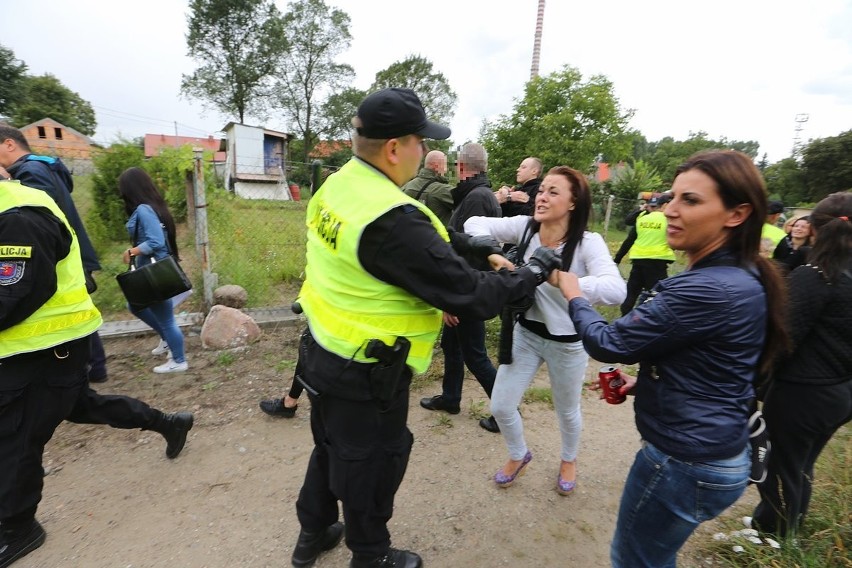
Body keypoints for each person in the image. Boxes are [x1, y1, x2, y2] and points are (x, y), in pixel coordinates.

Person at [291, 87, 560, 568]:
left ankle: (313, 531)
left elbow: (434, 238)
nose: (424, 150)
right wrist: (531, 272)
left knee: (330, 445)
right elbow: (471, 295)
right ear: (396, 148)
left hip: (320, 350)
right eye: (420, 141)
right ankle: (371, 556)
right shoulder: (390, 219)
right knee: (373, 461)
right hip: (367, 370)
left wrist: (483, 251)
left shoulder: (340, 185)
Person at [556, 150, 788, 567]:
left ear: (736, 214)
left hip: (684, 462)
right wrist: (648, 382)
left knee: (634, 560)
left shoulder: (704, 289)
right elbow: (717, 361)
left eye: (691, 201)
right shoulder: (743, 275)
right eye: (671, 198)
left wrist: (574, 294)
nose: (670, 212)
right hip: (719, 450)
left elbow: (608, 343)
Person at [0, 178, 194, 568]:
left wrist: (136, 249)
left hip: (45, 347)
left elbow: (13, 293)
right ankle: (169, 423)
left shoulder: (19, 215)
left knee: (17, 435)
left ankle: (20, 527)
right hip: (44, 347)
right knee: (82, 405)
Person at [465, 165, 625, 493]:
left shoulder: (586, 243)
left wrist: (561, 280)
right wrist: (494, 254)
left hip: (568, 343)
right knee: (501, 405)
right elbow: (474, 223)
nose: (542, 197)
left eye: (554, 192)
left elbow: (616, 289)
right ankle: (519, 454)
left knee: (567, 410)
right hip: (526, 333)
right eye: (542, 190)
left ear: (573, 203)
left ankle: (569, 459)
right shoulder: (525, 228)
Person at [752, 192, 852, 538]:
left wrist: (750, 382)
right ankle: (779, 527)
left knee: (779, 468)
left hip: (803, 393)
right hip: (838, 392)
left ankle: (774, 538)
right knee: (801, 466)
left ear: (814, 229)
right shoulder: (842, 274)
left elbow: (782, 338)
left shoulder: (817, 274)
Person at [0, 125, 108, 383]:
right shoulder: (44, 167)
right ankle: (94, 367)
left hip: (56, 255)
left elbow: (35, 220)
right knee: (74, 309)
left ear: (9, 144)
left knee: (65, 309)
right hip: (67, 252)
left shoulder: (29, 172)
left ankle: (91, 367)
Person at [419, 142, 503, 433]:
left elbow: (468, 254)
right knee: (452, 346)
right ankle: (451, 398)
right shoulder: (478, 194)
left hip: (468, 291)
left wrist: (452, 300)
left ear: (461, 167)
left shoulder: (477, 198)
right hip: (468, 289)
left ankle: (506, 412)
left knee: (475, 354)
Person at [118, 167, 188, 373]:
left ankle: (178, 360)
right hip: (151, 268)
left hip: (153, 271)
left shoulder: (144, 209)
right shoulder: (151, 207)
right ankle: (168, 341)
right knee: (135, 305)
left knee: (166, 318)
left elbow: (156, 241)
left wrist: (133, 250)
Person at [618, 193, 676, 314]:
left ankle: (624, 321)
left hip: (638, 260)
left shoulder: (642, 219)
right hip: (657, 261)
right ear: (665, 205)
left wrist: (617, 259)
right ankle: (648, 322)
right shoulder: (668, 220)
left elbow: (630, 238)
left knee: (631, 294)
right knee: (658, 296)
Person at [402, 149, 454, 226]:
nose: (446, 170)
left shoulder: (406, 186)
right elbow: (467, 203)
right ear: (436, 166)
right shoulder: (442, 190)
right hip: (435, 236)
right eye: (445, 165)